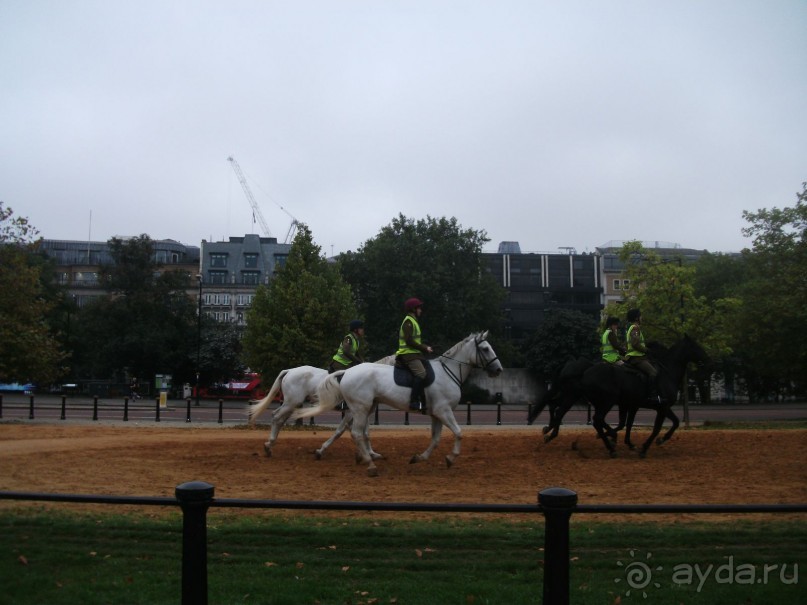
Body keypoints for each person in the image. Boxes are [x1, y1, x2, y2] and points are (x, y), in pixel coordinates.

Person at [395, 297, 433, 412]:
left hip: (415, 354)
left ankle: (424, 400)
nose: (421, 310)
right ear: (413, 309)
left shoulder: (413, 321)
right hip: (408, 354)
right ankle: (413, 401)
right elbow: (409, 341)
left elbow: (415, 341)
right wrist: (424, 347)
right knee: (421, 374)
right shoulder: (408, 322)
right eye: (419, 308)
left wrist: (426, 347)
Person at [625, 308, 658, 396]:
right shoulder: (635, 328)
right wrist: (647, 350)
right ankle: (652, 395)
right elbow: (635, 344)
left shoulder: (633, 328)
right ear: (636, 318)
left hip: (638, 357)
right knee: (653, 373)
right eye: (640, 316)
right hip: (637, 358)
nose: (642, 318)